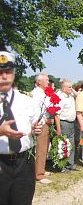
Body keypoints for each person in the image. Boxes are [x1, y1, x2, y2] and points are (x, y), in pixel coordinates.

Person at [0, 51, 43, 205]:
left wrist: (34, 129)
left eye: (8, 71)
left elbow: (34, 126)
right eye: (0, 72)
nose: (4, 76)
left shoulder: (26, 100)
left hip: (23, 164)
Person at [31, 72, 53, 184]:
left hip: (45, 123)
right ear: (39, 81)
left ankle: (41, 170)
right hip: (40, 123)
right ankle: (38, 174)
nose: (48, 82)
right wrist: (42, 121)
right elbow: (36, 111)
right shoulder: (36, 94)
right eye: (46, 80)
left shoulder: (43, 93)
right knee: (40, 148)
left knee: (45, 148)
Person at [54, 79, 80, 171]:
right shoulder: (60, 97)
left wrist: (72, 89)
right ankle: (61, 165)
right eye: (69, 87)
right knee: (63, 144)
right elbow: (57, 115)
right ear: (63, 88)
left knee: (71, 144)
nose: (71, 88)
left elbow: (79, 95)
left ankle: (70, 164)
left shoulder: (70, 96)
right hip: (63, 123)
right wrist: (58, 128)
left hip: (71, 123)